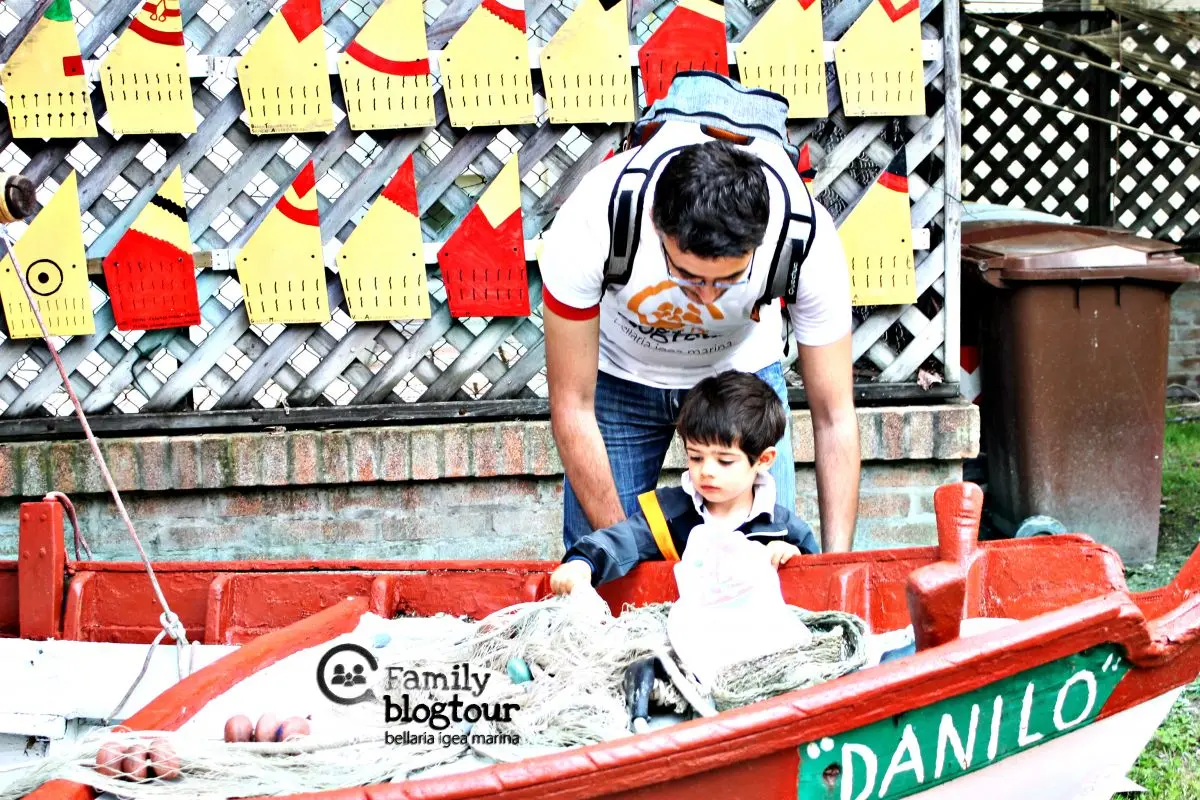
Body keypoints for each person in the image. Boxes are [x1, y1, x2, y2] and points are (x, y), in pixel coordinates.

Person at [538, 72, 860, 554]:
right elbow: (571, 406)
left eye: (729, 280)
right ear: (656, 225)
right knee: (602, 570)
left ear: (761, 239)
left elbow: (834, 417)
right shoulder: (594, 218)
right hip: (619, 379)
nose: (707, 298)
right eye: (687, 276)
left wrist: (837, 566)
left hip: (740, 376)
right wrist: (622, 554)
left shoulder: (806, 236)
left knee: (766, 556)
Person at [549, 371, 820, 594]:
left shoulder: (783, 528)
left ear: (763, 459)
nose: (707, 471)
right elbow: (622, 540)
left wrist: (793, 555)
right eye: (696, 457)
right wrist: (582, 563)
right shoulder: (669, 514)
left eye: (724, 461)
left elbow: (817, 581)